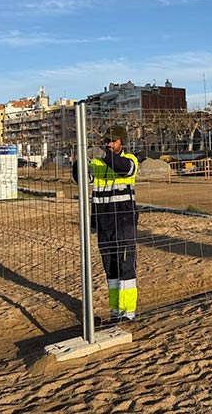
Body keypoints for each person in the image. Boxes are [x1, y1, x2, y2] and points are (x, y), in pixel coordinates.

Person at [73, 125, 139, 325]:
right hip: (104, 222)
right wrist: (79, 161)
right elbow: (83, 179)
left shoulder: (130, 160)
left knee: (126, 266)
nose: (110, 144)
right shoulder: (98, 163)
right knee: (110, 269)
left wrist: (104, 155)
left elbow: (123, 168)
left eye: (114, 141)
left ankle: (128, 312)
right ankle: (116, 311)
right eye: (107, 141)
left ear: (122, 143)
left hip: (124, 221)